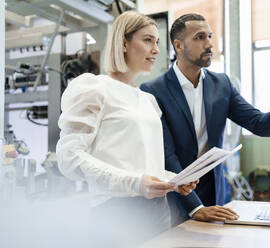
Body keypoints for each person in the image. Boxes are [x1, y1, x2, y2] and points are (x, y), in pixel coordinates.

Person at [140, 13, 270, 226]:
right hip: (174, 199)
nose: (210, 44)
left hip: (216, 192)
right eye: (200, 37)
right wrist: (195, 207)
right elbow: (166, 155)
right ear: (179, 46)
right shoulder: (153, 91)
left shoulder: (222, 85)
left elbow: (260, 125)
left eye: (209, 36)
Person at [56, 11, 197, 247]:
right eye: (147, 40)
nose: (155, 49)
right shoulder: (94, 88)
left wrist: (173, 180)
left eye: (157, 42)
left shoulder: (147, 100)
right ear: (123, 42)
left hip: (158, 212)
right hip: (117, 214)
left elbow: (142, 165)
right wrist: (135, 183)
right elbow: (68, 158)